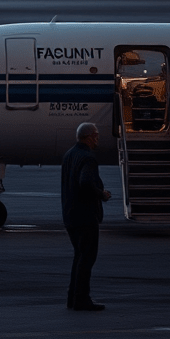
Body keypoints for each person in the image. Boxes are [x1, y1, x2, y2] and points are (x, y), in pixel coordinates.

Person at [61, 122, 112, 311]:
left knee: (79, 257)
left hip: (70, 215)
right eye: (96, 135)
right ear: (90, 136)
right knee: (87, 258)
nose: (98, 138)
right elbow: (86, 182)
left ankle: (72, 298)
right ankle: (81, 299)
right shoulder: (88, 157)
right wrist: (102, 194)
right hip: (85, 216)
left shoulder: (69, 155)